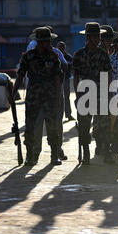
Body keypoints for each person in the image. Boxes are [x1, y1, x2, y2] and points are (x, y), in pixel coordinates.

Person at [11, 27, 63, 166]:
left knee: (52, 127)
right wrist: (13, 92)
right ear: (41, 42)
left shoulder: (53, 56)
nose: (50, 43)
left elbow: (58, 77)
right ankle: (30, 156)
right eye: (47, 41)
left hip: (50, 97)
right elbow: (20, 75)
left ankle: (54, 155)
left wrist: (58, 96)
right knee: (31, 127)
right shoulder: (28, 56)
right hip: (33, 97)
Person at [73, 22, 112, 165]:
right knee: (84, 126)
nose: (98, 39)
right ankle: (86, 153)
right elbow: (76, 76)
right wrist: (77, 95)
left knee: (104, 125)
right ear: (88, 37)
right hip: (85, 93)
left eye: (99, 36)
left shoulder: (103, 54)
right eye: (96, 37)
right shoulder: (79, 54)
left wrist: (108, 93)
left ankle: (106, 152)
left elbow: (108, 74)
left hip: (101, 93)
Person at [27, 26, 68, 160]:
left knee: (54, 125)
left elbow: (64, 68)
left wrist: (57, 93)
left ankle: (56, 151)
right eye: (47, 40)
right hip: (36, 96)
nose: (49, 43)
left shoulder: (55, 54)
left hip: (52, 95)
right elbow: (22, 73)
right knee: (36, 125)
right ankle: (34, 153)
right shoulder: (30, 54)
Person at [57, 41, 75, 122]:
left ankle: (68, 114)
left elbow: (72, 68)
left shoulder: (68, 57)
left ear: (64, 48)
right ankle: (58, 116)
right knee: (57, 98)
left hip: (66, 79)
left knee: (66, 98)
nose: (61, 48)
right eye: (59, 47)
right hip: (56, 80)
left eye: (62, 47)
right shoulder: (54, 56)